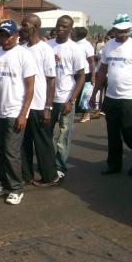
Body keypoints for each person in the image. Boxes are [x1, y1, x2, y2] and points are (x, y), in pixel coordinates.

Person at [0, 20, 36, 205]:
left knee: (12, 151)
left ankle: (16, 188)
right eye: (1, 35)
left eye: (8, 35)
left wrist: (23, 114)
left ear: (16, 36)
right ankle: (5, 184)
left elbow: (30, 87)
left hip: (16, 111)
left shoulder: (24, 55)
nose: (4, 39)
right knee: (2, 149)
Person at [19, 14, 59, 187]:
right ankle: (26, 175)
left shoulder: (45, 50)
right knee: (23, 144)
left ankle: (50, 177)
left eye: (25, 25)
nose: (22, 28)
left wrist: (48, 107)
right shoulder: (21, 48)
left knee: (42, 143)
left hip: (39, 105)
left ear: (34, 27)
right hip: (23, 106)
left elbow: (51, 80)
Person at [90, 14, 132, 175]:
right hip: (111, 97)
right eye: (119, 31)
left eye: (125, 31)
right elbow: (102, 71)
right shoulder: (108, 45)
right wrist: (94, 94)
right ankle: (114, 164)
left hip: (129, 98)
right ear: (114, 30)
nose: (122, 34)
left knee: (129, 133)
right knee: (113, 133)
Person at [47, 16, 85, 179]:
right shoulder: (48, 46)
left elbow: (81, 76)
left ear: (70, 30)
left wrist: (72, 100)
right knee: (46, 134)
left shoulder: (75, 49)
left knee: (63, 135)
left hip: (65, 99)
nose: (60, 29)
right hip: (48, 100)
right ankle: (47, 163)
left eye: (64, 27)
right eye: (58, 25)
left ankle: (60, 166)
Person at [72, 27, 95, 123]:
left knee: (84, 95)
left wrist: (93, 76)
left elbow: (92, 62)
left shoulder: (86, 45)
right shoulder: (72, 44)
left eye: (73, 32)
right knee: (74, 94)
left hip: (85, 74)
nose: (71, 34)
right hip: (74, 73)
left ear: (79, 35)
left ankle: (86, 114)